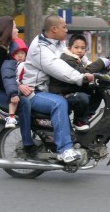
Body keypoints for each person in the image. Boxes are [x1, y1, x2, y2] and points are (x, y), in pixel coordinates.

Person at [22, 15, 94, 163]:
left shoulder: (58, 43)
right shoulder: (40, 47)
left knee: (88, 93)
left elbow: (73, 57)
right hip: (35, 92)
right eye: (64, 27)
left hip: (49, 89)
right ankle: (64, 150)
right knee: (59, 103)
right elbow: (58, 67)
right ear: (54, 29)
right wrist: (80, 78)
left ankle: (78, 127)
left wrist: (95, 66)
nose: (66, 30)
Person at [0, 16, 38, 157]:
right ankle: (27, 144)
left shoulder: (8, 48)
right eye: (14, 27)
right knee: (24, 103)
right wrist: (18, 88)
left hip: (5, 88)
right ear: (6, 30)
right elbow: (0, 79)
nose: (17, 30)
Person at [49, 34, 110, 130]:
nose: (79, 50)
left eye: (82, 48)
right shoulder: (67, 58)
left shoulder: (82, 60)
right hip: (61, 93)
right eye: (76, 47)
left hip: (72, 88)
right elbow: (83, 73)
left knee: (99, 89)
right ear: (69, 48)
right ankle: (79, 121)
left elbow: (89, 67)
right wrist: (102, 62)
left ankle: (88, 114)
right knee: (82, 97)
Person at [1, 38, 28, 128]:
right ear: (12, 54)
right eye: (17, 53)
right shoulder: (11, 64)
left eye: (22, 53)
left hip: (26, 86)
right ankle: (11, 116)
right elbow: (9, 77)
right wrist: (14, 91)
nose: (20, 56)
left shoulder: (27, 63)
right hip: (16, 86)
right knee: (14, 100)